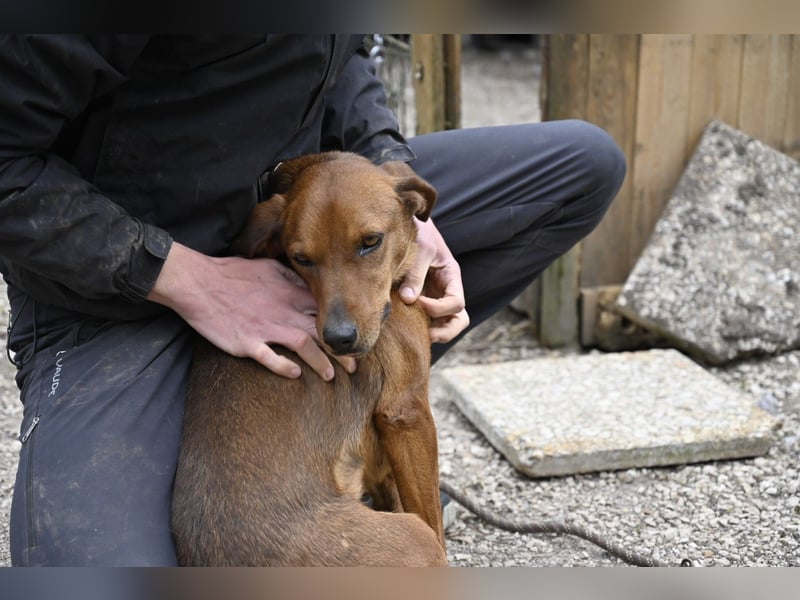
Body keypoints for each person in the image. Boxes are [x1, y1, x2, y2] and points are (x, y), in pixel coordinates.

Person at [0, 34, 625, 566]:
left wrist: (390, 191)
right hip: (117, 290)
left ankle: (363, 397)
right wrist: (184, 277)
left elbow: (346, 56)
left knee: (581, 166)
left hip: (302, 223)